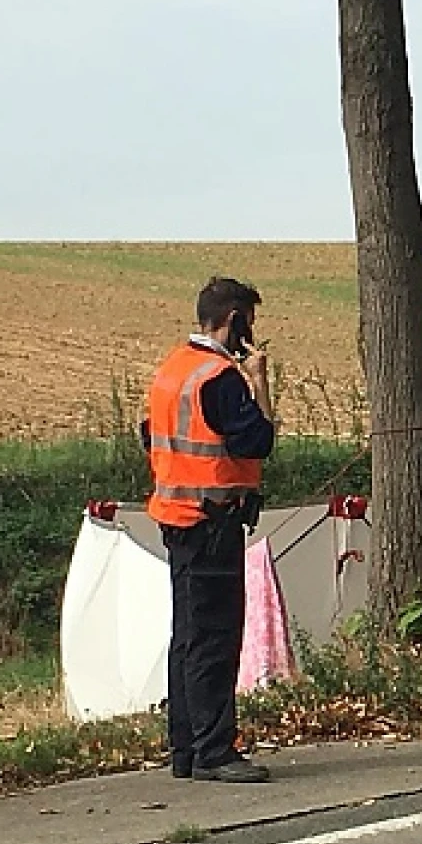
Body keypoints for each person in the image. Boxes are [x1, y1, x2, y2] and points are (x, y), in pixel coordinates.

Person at [142, 276, 278, 783]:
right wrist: (260, 381)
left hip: (176, 517)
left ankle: (186, 749)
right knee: (216, 640)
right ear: (236, 319)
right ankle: (215, 752)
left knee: (188, 637)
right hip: (213, 521)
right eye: (249, 321)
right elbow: (256, 442)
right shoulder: (219, 377)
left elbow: (148, 436)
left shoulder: (172, 370)